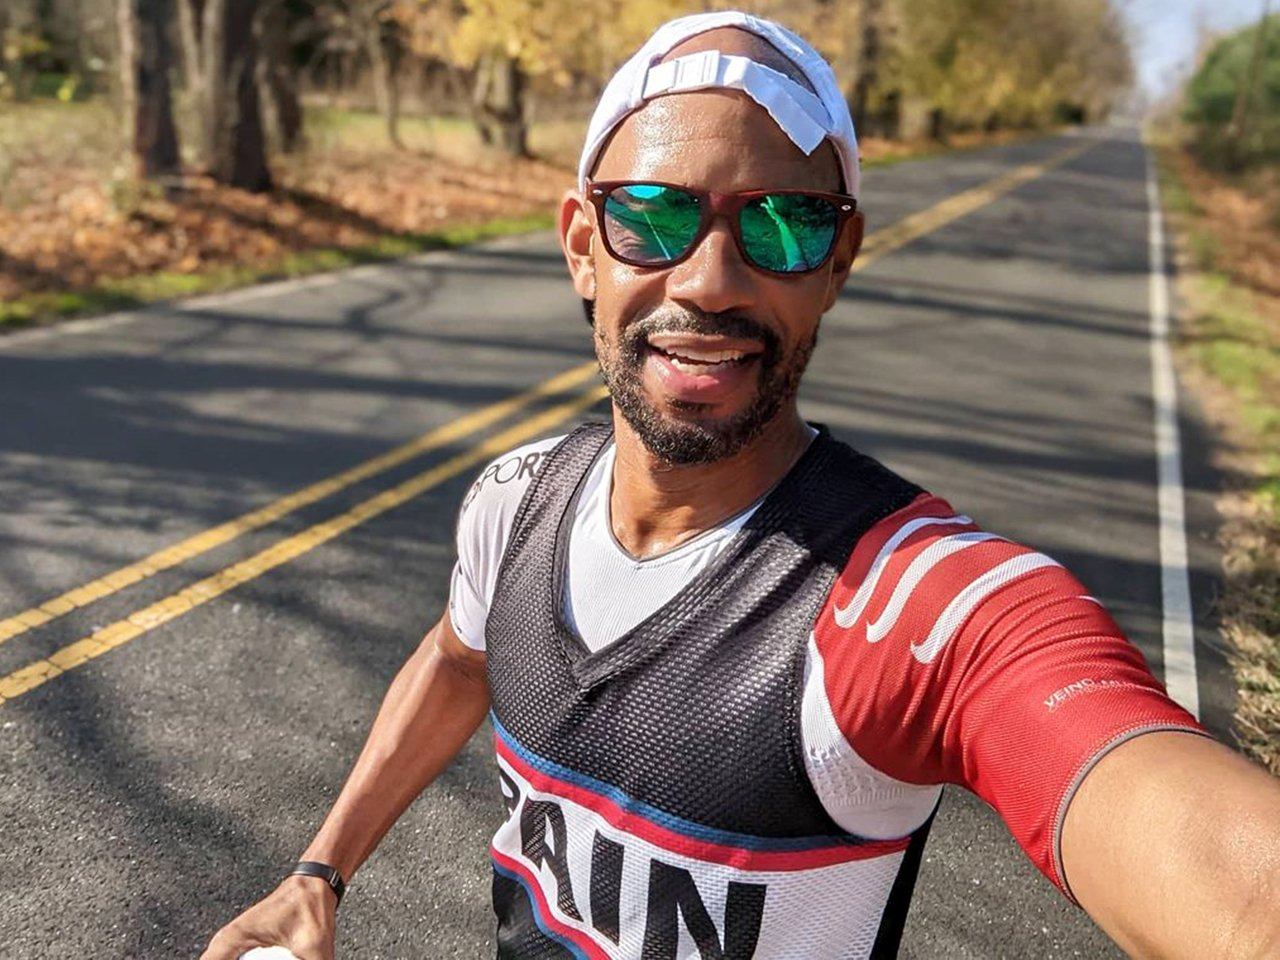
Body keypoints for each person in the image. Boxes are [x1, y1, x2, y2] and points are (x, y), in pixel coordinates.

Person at [202, 11, 1280, 960]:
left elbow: (1203, 855)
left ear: (839, 259)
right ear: (582, 246)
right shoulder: (515, 501)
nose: (710, 279)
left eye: (783, 224)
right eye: (653, 216)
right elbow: (456, 659)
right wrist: (320, 872)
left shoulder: (910, 604)